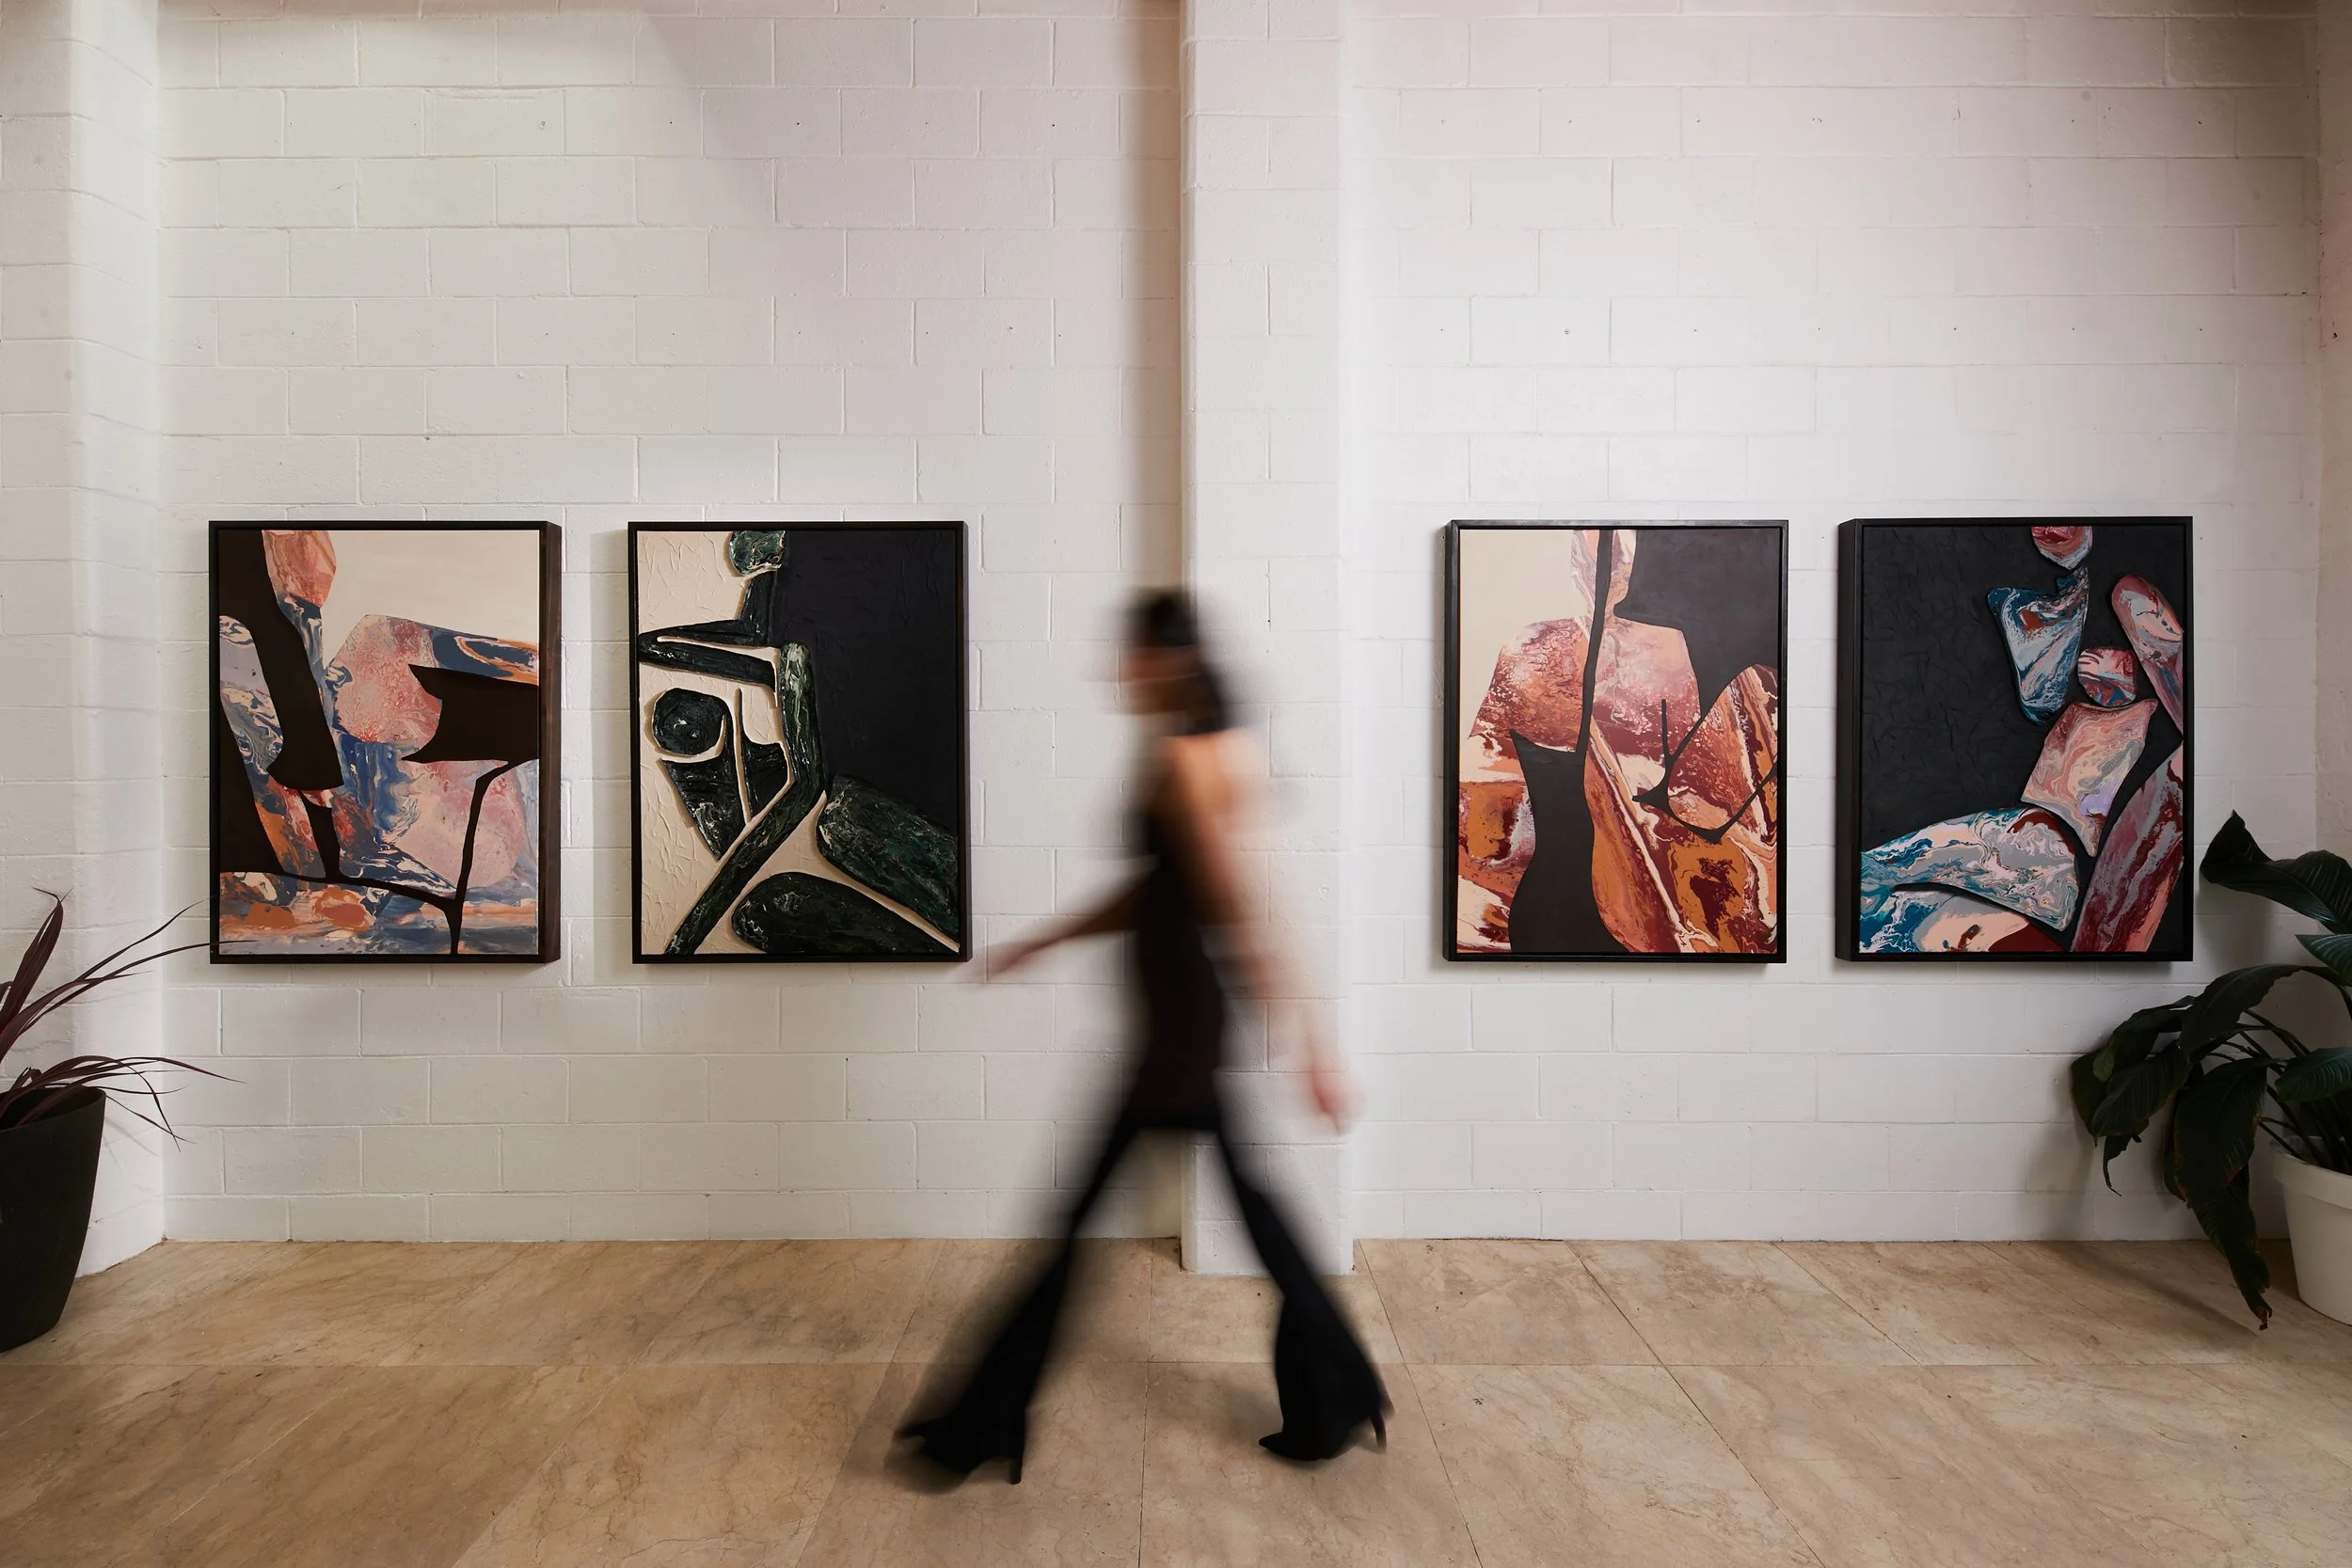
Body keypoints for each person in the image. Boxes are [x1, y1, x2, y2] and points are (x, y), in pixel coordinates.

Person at [897, 591, 1388, 1482]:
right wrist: (1047, 938)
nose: (1115, 671)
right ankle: (1337, 1395)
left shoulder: (1192, 759)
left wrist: (1312, 1043)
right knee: (1250, 1207)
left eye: (1129, 655)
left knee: (1076, 1219)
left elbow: (1244, 906)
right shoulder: (1193, 750)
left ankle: (983, 1422)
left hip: (1183, 1029)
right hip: (1178, 1022)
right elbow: (1160, 892)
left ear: (1168, 659)